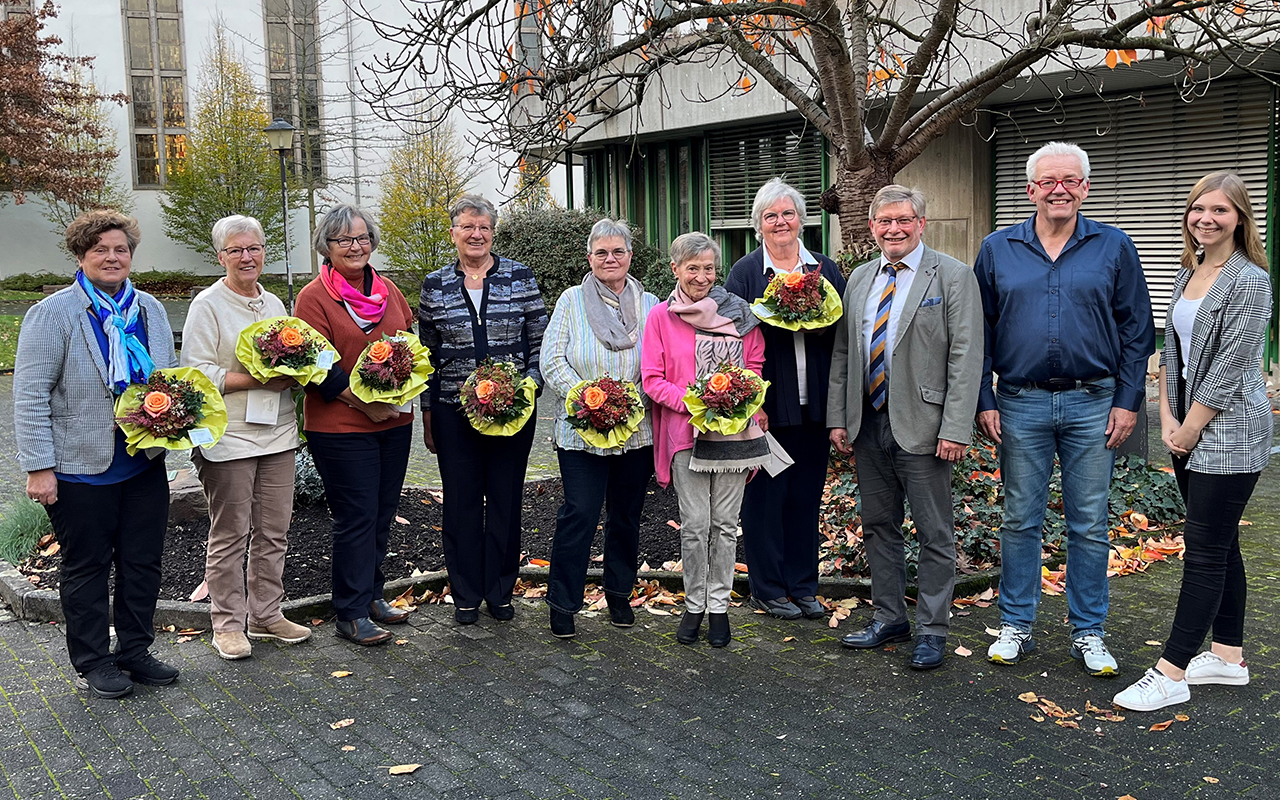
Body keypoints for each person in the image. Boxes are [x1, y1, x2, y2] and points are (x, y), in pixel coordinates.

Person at [976, 141, 1155, 675]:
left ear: (1086, 187)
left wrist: (1128, 402)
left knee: (1089, 524)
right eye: (1049, 181)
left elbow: (1136, 331)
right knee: (1019, 519)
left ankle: (1089, 631)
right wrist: (984, 398)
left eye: (1070, 180)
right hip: (1020, 403)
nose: (1060, 189)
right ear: (1030, 190)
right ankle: (1016, 625)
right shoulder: (997, 249)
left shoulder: (1115, 247)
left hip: (1093, 402)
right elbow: (978, 330)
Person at [1113, 173, 1273, 711]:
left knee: (1203, 552)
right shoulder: (1190, 271)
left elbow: (1230, 367)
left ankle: (1172, 670)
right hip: (1185, 426)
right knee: (1221, 544)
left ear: (1241, 219)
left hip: (1228, 432)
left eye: (1220, 211)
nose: (1206, 218)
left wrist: (1190, 426)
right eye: (1197, 209)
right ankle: (1227, 658)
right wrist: (1166, 420)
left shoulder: (1249, 280)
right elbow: (1172, 353)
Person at [14, 210, 179, 698]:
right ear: (81, 256)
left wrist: (179, 426)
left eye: (120, 249)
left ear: (131, 255)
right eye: (100, 250)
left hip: (142, 462)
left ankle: (135, 650)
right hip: (78, 469)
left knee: (142, 562)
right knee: (86, 568)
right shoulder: (54, 313)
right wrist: (39, 468)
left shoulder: (148, 308)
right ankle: (93, 660)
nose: (112, 257)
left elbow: (168, 382)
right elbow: (29, 395)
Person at [827, 185, 983, 670]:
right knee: (878, 526)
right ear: (871, 227)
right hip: (868, 423)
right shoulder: (858, 278)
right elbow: (843, 353)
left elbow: (966, 355)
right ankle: (890, 617)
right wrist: (838, 418)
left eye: (903, 220)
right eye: (884, 221)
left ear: (921, 224)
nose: (893, 229)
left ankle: (933, 630)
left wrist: (956, 426)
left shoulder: (953, 276)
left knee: (935, 533)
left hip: (926, 426)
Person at [180, 215, 311, 661]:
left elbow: (293, 360)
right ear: (221, 257)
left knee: (274, 531)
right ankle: (228, 624)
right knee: (230, 533)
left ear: (263, 252)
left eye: (253, 248)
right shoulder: (208, 305)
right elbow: (196, 374)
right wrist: (255, 379)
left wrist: (298, 372)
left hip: (278, 432)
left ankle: (266, 615)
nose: (246, 256)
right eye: (235, 250)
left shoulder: (274, 303)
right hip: (230, 435)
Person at [419, 195, 548, 625]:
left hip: (512, 411)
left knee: (507, 500)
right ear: (453, 232)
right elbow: (427, 355)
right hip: (454, 411)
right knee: (461, 502)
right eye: (467, 227)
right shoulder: (435, 285)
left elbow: (539, 340)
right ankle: (466, 594)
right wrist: (428, 414)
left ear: (493, 232)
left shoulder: (519, 276)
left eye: (484, 227)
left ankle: (500, 590)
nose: (476, 234)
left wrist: (528, 387)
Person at [724, 179, 846, 622]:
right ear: (759, 224)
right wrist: (748, 404)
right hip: (766, 409)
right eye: (771, 216)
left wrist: (838, 410)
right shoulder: (746, 273)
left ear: (801, 219)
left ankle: (803, 587)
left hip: (813, 408)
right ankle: (768, 589)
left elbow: (842, 344)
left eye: (788, 213)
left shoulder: (825, 271)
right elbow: (730, 343)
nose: (781, 222)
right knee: (764, 501)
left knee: (805, 500)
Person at [295, 205, 416, 646]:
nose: (355, 246)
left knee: (382, 513)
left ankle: (371, 596)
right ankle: (348, 612)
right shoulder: (313, 297)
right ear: (326, 246)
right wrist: (366, 406)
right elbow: (316, 367)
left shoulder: (389, 291)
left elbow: (408, 348)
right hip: (341, 425)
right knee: (357, 516)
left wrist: (403, 389)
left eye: (362, 238)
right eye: (344, 240)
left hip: (393, 423)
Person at [641, 232, 767, 648]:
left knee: (726, 527)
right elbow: (653, 380)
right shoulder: (661, 316)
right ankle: (693, 603)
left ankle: (719, 608)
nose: (701, 276)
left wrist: (735, 400)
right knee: (695, 526)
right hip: (684, 436)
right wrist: (700, 402)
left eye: (708, 268)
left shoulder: (740, 314)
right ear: (675, 269)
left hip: (735, 435)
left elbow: (754, 365)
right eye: (692, 268)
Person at [543, 219, 660, 639]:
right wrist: (589, 398)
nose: (610, 259)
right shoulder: (571, 301)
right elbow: (552, 360)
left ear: (630, 256)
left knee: (626, 516)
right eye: (601, 253)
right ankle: (563, 601)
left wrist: (629, 403)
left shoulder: (651, 304)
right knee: (579, 513)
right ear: (589, 258)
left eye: (619, 252)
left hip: (637, 432)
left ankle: (618, 593)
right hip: (580, 431)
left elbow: (661, 361)